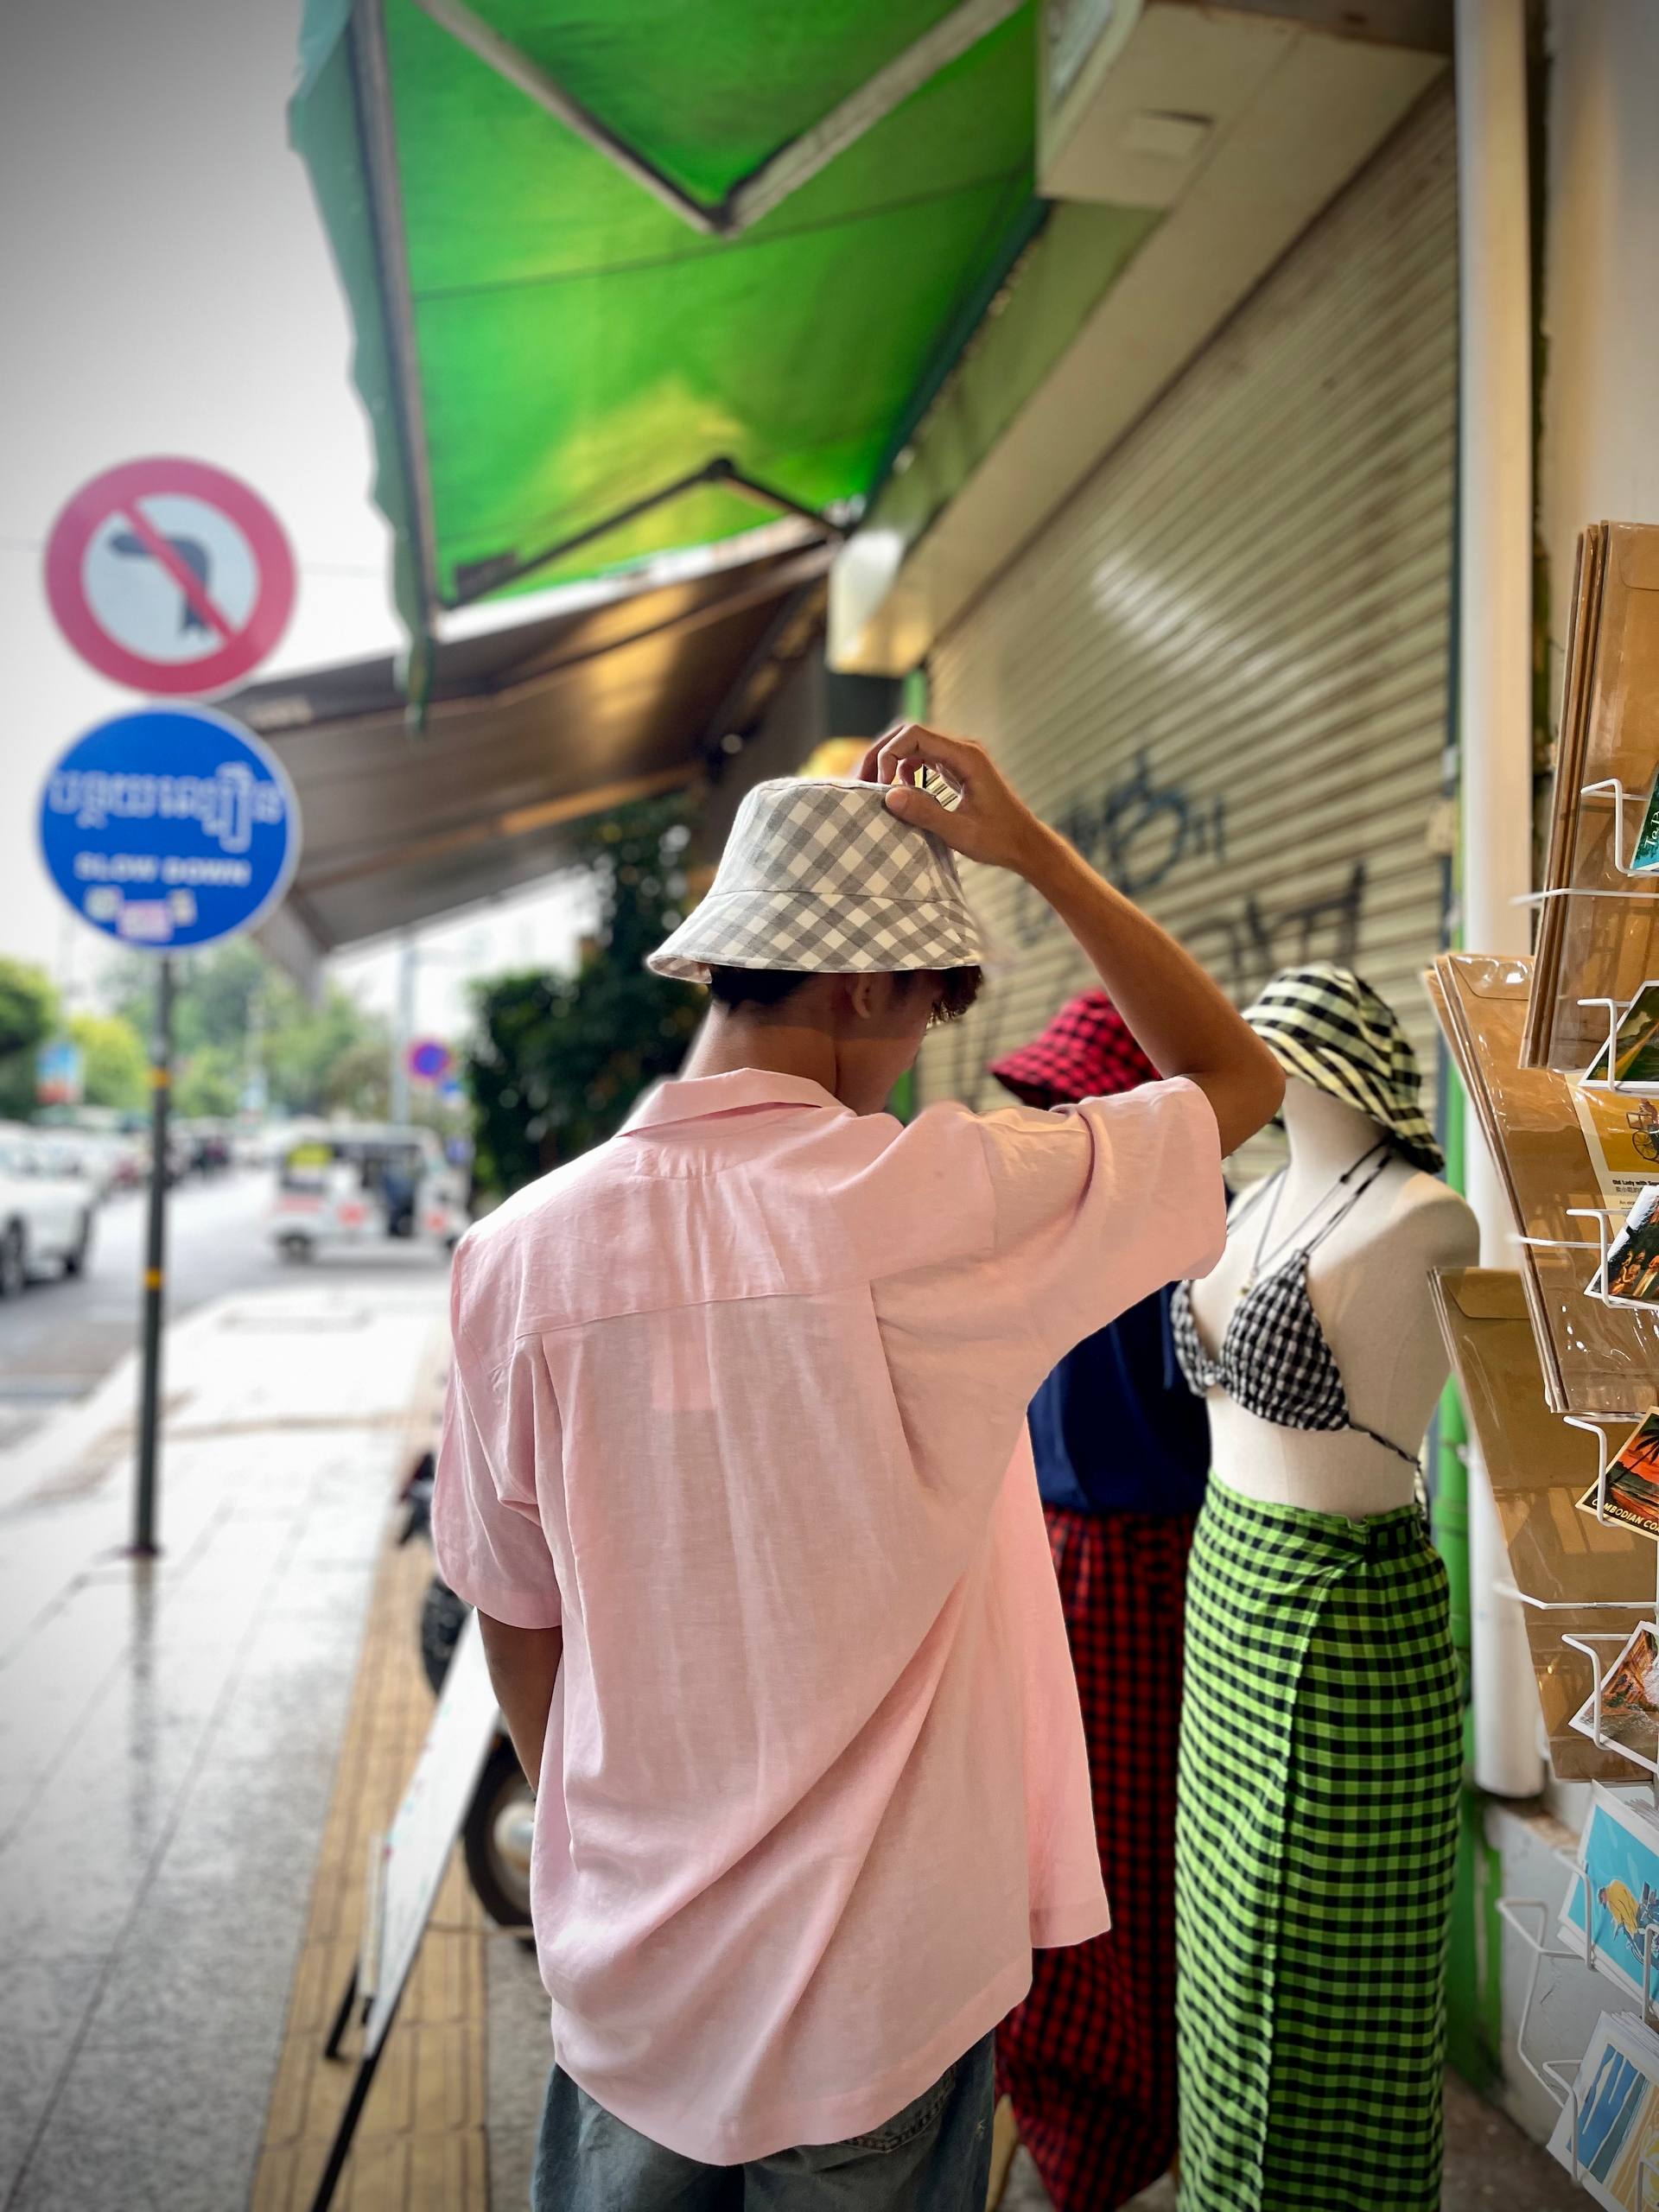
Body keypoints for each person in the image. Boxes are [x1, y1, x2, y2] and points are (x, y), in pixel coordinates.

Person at [432, 726, 1282, 2212]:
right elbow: (1232, 1077)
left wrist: (634, 1833)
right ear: (868, 984)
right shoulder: (935, 1199)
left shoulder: (513, 1254)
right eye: (930, 1007)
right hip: (880, 1980)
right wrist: (1031, 847)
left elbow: (517, 1611)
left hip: (634, 1970)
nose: (919, 1050)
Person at [988, 991, 1212, 2211]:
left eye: (1071, 1108)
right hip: (1064, 1558)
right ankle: (1084, 2110)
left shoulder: (1172, 1240)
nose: (1050, 1126)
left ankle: (1118, 2119)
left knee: (1118, 1863)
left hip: (1140, 1568)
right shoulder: (1062, 1233)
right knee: (1062, 1860)